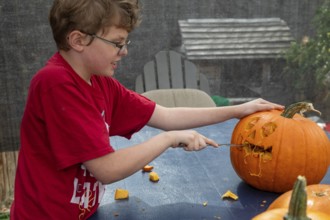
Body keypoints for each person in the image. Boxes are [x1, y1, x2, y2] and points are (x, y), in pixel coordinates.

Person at [10, 0, 284, 219]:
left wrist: (237, 110)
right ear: (78, 40)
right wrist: (167, 139)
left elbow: (164, 115)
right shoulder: (56, 84)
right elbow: (106, 169)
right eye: (117, 43)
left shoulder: (101, 83)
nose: (124, 51)